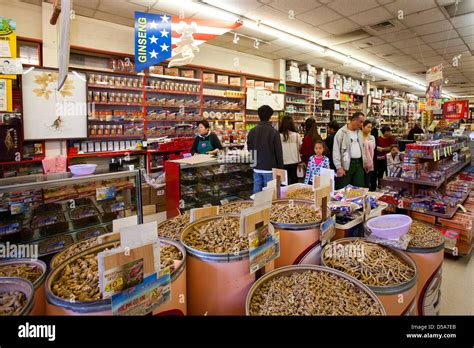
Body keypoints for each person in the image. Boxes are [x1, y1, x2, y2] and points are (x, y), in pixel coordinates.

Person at [247, 105, 284, 193]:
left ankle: (256, 206)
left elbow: (249, 148)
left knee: (256, 193)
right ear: (270, 116)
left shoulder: (252, 131)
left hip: (256, 166)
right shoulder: (274, 132)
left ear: (258, 116)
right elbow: (278, 152)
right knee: (269, 193)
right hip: (269, 168)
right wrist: (280, 168)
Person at [333, 112, 367, 189]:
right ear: (354, 120)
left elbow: (363, 148)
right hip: (346, 165)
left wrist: (365, 162)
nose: (362, 125)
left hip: (359, 164)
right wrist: (338, 167)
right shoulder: (341, 133)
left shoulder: (360, 133)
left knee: (359, 188)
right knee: (344, 189)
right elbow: (336, 151)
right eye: (360, 122)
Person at [279, 115, 302, 185]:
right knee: (294, 182)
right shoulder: (297, 135)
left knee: (283, 183)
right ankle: (293, 195)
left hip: (283, 162)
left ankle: (284, 195)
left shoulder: (279, 136)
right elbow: (300, 147)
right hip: (294, 162)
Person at [362, 119, 376, 190]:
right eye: (368, 127)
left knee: (367, 182)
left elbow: (372, 149)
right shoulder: (359, 137)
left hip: (369, 163)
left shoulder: (372, 137)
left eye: (371, 127)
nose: (370, 129)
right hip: (360, 162)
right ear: (363, 127)